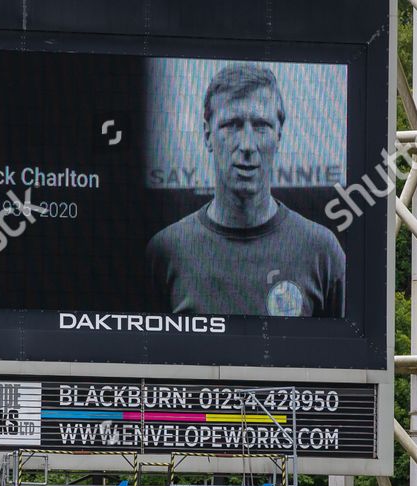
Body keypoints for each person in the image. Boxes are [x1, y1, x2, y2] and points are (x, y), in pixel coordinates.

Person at [146, 63, 345, 318]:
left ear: (279, 136)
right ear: (207, 135)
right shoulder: (165, 251)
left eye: (261, 126)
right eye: (232, 125)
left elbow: (344, 355)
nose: (248, 145)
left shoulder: (322, 252)